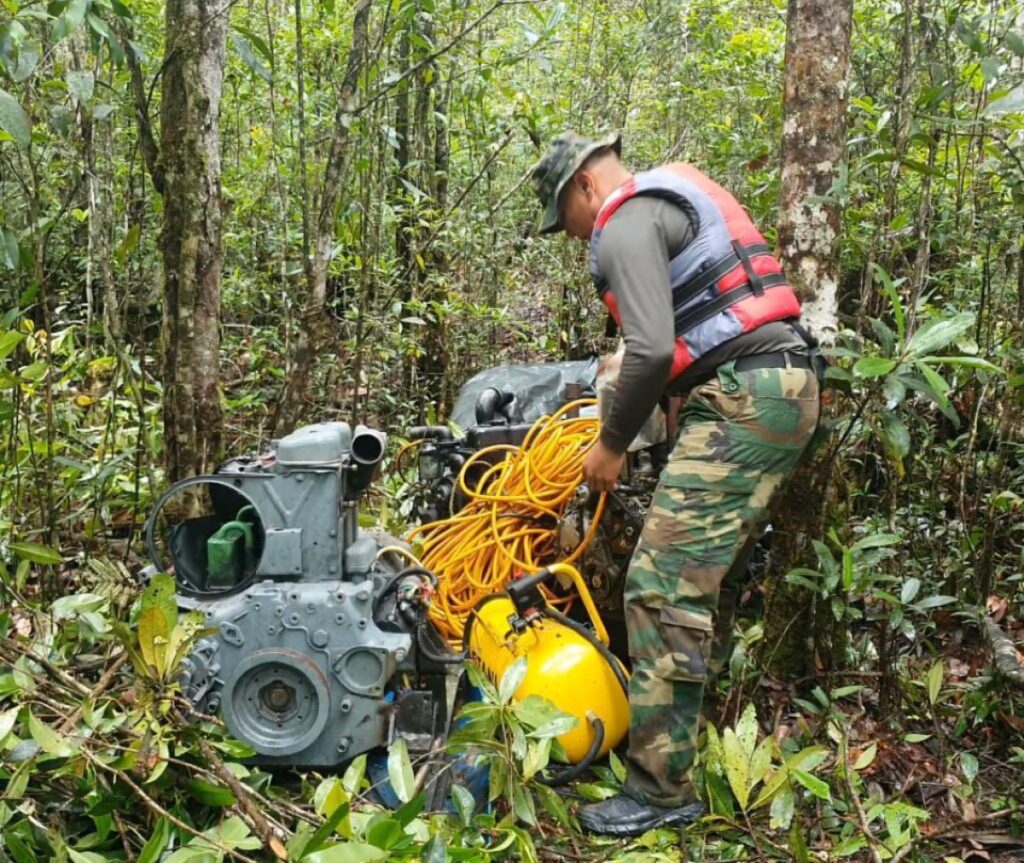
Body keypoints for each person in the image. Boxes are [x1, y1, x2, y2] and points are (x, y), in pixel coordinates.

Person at [530, 132, 822, 836]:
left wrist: (608, 445)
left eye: (565, 223)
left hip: (746, 396)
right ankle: (676, 744)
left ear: (583, 189)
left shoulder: (621, 220)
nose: (575, 240)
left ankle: (661, 790)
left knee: (659, 583)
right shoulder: (669, 195)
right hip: (771, 388)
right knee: (687, 579)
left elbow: (653, 348)